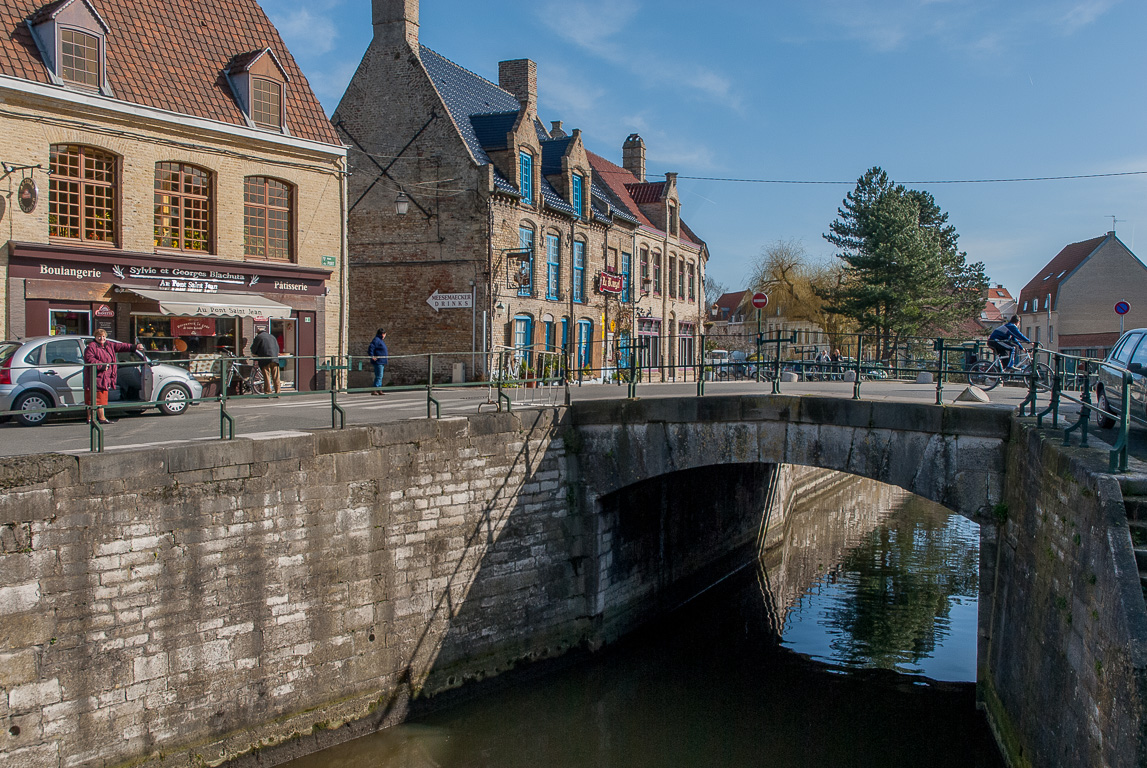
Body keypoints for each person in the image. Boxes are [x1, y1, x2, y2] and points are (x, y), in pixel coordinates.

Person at [83, 329, 144, 424]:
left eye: (103, 336)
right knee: (94, 399)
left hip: (104, 377)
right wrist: (102, 366)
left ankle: (94, 419)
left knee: (100, 398)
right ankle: (97, 419)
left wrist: (134, 347)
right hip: (95, 377)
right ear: (95, 337)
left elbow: (121, 346)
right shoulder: (91, 347)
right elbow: (89, 359)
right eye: (99, 336)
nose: (102, 338)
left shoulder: (109, 345)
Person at [251, 329, 281, 395]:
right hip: (274, 358)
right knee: (276, 376)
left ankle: (268, 392)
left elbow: (253, 349)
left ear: (258, 332)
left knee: (267, 376)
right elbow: (277, 347)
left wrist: (255, 354)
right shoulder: (272, 337)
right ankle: (278, 392)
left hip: (265, 359)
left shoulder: (259, 337)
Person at [368, 328, 388, 395]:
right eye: (385, 334)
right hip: (378, 361)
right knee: (379, 376)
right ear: (382, 334)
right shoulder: (377, 340)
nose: (385, 336)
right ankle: (375, 389)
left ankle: (379, 389)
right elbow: (371, 348)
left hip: (381, 361)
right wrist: (372, 356)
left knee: (380, 376)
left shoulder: (380, 340)